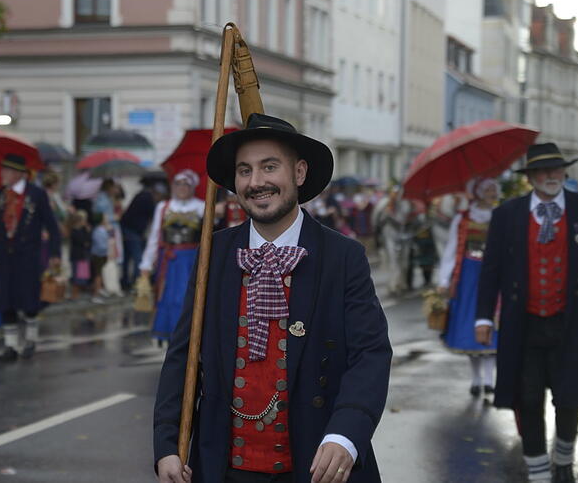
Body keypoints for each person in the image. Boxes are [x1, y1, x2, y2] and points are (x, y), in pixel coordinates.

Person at [154, 113, 392, 483]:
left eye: (269, 167)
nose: (257, 182)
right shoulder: (212, 253)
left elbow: (370, 354)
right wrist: (168, 444)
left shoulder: (343, 256)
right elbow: (183, 355)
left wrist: (346, 434)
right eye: (245, 170)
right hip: (222, 467)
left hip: (316, 465)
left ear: (298, 173)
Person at [476, 143, 578, 483]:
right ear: (531, 177)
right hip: (525, 323)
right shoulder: (507, 215)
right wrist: (484, 316)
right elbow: (491, 269)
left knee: (570, 396)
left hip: (574, 321)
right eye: (544, 170)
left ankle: (563, 462)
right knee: (527, 396)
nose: (552, 175)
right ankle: (537, 472)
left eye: (557, 168)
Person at [0, 154, 61, 362]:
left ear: (19, 173)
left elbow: (52, 227)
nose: (3, 174)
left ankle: (30, 339)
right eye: (2, 170)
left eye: (7, 170)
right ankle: (10, 346)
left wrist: (55, 254)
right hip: (4, 257)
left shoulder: (36, 195)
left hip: (28, 257)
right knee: (6, 301)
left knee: (30, 302)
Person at [436, 178, 500, 396]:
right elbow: (452, 251)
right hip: (469, 276)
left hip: (495, 274)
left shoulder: (502, 216)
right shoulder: (463, 219)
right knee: (470, 327)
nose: (492, 192)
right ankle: (475, 379)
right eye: (488, 188)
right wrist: (444, 280)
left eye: (494, 188)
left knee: (494, 325)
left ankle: (490, 380)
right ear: (479, 192)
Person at [139, 170, 205, 346]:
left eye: (186, 184)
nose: (182, 188)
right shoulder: (164, 207)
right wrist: (147, 263)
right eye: (178, 184)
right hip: (168, 260)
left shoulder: (202, 207)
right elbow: (155, 236)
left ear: (192, 187)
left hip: (190, 260)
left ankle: (187, 337)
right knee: (166, 297)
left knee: (185, 298)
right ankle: (169, 337)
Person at [120, 178, 164, 289]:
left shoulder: (142, 195)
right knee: (138, 258)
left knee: (127, 258)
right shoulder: (147, 198)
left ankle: (125, 282)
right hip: (132, 230)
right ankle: (136, 283)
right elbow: (154, 217)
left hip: (128, 228)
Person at [68, 210, 92, 299]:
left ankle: (78, 293)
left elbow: (88, 242)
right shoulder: (74, 231)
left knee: (82, 276)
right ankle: (74, 294)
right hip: (77, 256)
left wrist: (87, 233)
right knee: (76, 276)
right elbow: (83, 242)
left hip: (83, 255)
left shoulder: (83, 230)